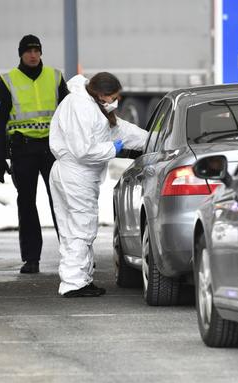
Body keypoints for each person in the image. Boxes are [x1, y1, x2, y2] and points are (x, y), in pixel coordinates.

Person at [49, 72, 147, 297]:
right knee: (81, 229)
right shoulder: (81, 108)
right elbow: (84, 151)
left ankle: (78, 278)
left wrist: (150, 138)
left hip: (72, 173)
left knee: (72, 229)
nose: (116, 101)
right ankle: (75, 283)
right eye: (114, 97)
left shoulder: (92, 105)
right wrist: (115, 148)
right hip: (76, 174)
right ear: (102, 94)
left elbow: (119, 129)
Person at [0, 34, 68, 274]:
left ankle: (72, 254)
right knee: (26, 204)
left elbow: (69, 113)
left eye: (36, 50)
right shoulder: (7, 81)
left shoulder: (55, 77)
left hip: (51, 150)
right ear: (21, 54)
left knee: (62, 204)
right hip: (23, 151)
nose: (33, 54)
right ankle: (31, 258)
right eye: (28, 51)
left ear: (41, 52)